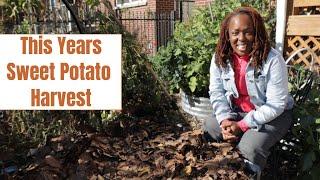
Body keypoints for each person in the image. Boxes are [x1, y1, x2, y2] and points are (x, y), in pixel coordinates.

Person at [203, 6, 294, 178]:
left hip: (274, 115)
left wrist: (242, 125)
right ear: (227, 35)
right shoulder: (220, 58)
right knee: (211, 126)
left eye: (248, 32)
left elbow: (276, 105)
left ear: (257, 33)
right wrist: (225, 120)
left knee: (249, 147)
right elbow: (216, 92)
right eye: (235, 33)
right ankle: (218, 170)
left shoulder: (272, 60)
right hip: (237, 113)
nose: (241, 38)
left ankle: (248, 174)